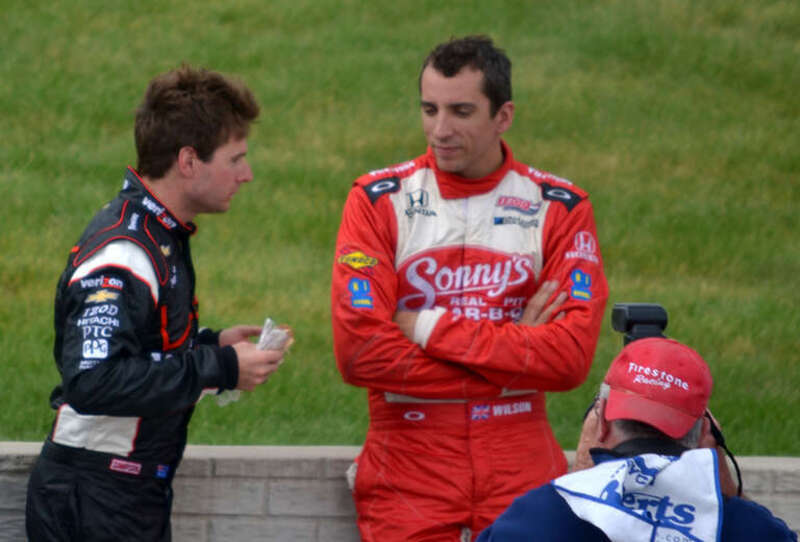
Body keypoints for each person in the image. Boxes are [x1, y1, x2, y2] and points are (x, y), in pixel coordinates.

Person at [331, 35, 609, 540]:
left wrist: (425, 325)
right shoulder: (375, 201)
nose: (441, 130)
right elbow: (361, 352)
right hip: (407, 461)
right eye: (429, 109)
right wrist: (515, 354)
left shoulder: (561, 207)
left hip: (519, 459)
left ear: (503, 115)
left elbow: (568, 359)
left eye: (461, 111)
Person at [25, 65, 291, 541]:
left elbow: (139, 349)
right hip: (95, 497)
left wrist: (210, 345)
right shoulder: (124, 253)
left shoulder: (158, 234)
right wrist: (218, 367)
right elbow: (92, 379)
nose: (246, 175)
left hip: (117, 492)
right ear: (189, 161)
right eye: (235, 159)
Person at [476, 337, 798, 541]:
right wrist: (725, 489)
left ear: (600, 424)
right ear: (704, 435)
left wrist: (580, 475)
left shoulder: (536, 518)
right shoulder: (748, 529)